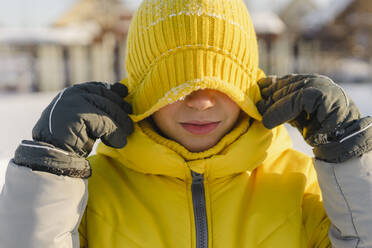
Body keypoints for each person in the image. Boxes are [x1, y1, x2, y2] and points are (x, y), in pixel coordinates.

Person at [1, 0, 372, 247]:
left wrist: (348, 154)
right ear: (143, 88)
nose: (201, 100)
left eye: (222, 81)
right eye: (173, 83)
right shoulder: (88, 193)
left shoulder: (300, 185)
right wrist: (48, 168)